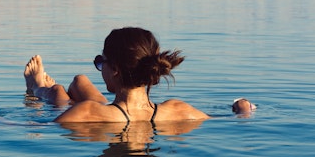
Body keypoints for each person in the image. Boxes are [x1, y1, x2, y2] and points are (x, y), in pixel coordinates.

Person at [24, 26, 254, 123]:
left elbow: (25, 126)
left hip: (110, 113)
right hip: (124, 112)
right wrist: (242, 107)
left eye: (100, 62)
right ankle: (49, 89)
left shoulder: (86, 112)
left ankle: (38, 88)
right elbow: (233, 118)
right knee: (80, 81)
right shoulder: (178, 110)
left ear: (114, 69)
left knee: (62, 93)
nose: (100, 68)